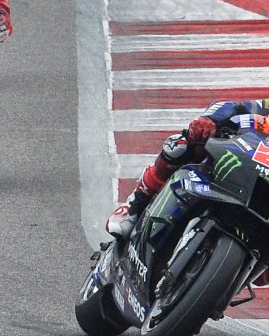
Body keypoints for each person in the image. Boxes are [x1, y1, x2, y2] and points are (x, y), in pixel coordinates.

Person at [106, 101, 269, 239]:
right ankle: (135, 204)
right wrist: (211, 119)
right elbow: (238, 106)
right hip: (239, 170)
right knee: (181, 144)